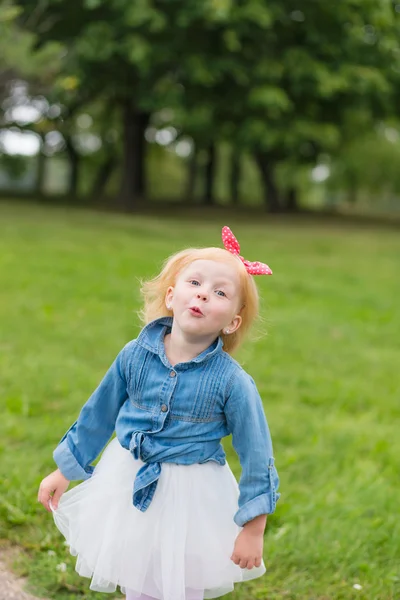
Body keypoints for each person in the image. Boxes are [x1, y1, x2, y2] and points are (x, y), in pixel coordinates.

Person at [38, 226, 280, 600]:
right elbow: (98, 414)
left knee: (180, 582)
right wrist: (66, 469)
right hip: (127, 479)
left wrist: (253, 527)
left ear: (232, 321)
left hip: (191, 493)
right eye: (195, 282)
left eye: (220, 292)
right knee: (138, 575)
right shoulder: (134, 355)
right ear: (171, 295)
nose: (203, 293)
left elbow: (257, 454)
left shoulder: (233, 383)